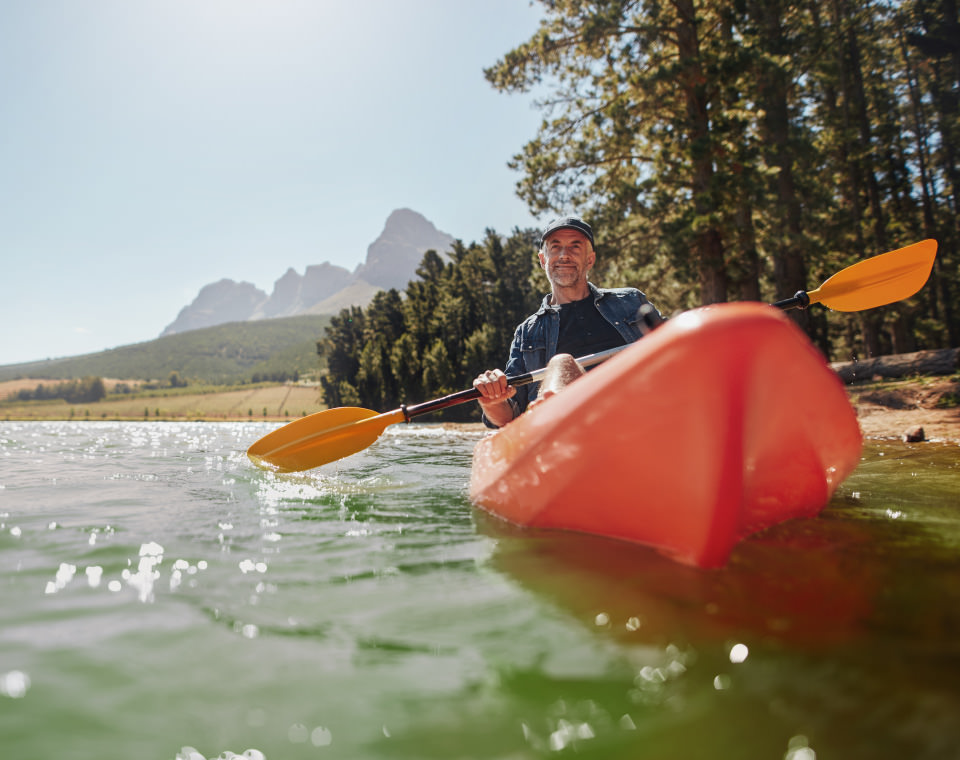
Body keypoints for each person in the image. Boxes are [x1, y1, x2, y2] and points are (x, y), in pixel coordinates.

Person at [473, 215, 662, 428]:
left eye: (575, 246)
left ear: (590, 259)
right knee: (561, 364)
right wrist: (492, 401)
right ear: (543, 260)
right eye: (555, 247)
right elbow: (507, 417)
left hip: (641, 416)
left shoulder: (630, 302)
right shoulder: (527, 333)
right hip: (568, 431)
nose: (564, 255)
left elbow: (677, 351)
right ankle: (553, 420)